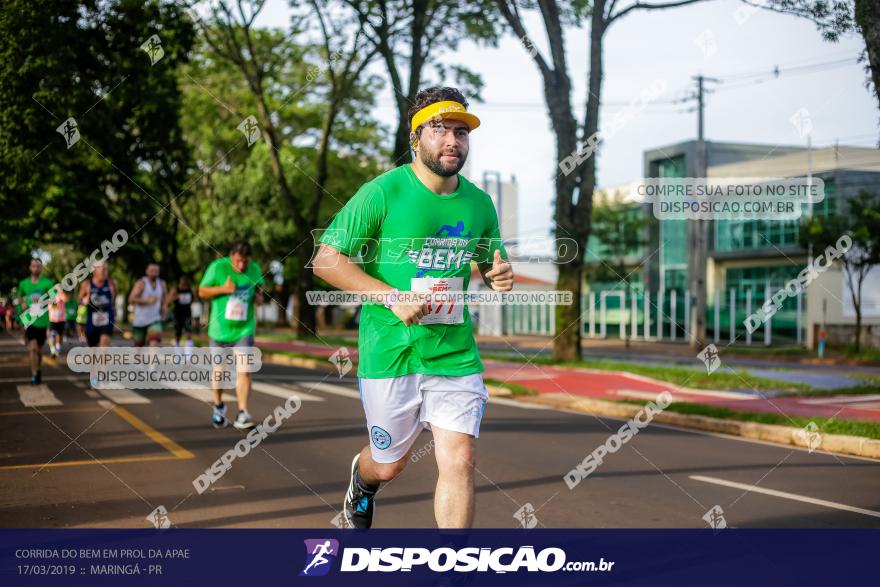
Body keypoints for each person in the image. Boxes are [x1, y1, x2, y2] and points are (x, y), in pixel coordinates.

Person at [314, 87, 514, 529]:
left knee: (459, 459)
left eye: (461, 132)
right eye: (440, 129)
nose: (452, 141)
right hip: (391, 352)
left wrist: (500, 275)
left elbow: (490, 261)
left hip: (453, 352)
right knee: (389, 466)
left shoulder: (479, 203)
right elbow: (326, 259)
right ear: (416, 137)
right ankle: (362, 483)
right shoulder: (382, 192)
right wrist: (391, 296)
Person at [198, 241, 264, 430]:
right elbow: (202, 291)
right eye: (237, 261)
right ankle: (219, 406)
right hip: (219, 330)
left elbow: (260, 287)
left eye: (244, 261)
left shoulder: (254, 269)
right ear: (231, 256)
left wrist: (259, 297)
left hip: (244, 329)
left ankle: (242, 412)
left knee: (244, 370)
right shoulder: (218, 267)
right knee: (220, 372)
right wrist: (222, 289)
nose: (241, 266)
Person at [17, 258, 55, 384]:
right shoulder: (23, 283)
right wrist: (23, 303)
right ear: (30, 267)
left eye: (38, 266)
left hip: (42, 321)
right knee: (32, 348)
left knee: (39, 350)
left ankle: (38, 370)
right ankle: (34, 375)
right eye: (33, 266)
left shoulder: (48, 283)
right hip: (30, 321)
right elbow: (19, 296)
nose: (35, 268)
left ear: (41, 268)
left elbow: (53, 300)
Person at [78, 261, 117, 348]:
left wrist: (114, 315)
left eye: (106, 269)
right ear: (94, 271)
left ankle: (104, 361)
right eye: (101, 268)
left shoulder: (112, 284)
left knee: (104, 344)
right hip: (91, 322)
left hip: (107, 319)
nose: (104, 271)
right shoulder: (87, 284)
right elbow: (79, 301)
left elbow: (113, 301)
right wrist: (84, 300)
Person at [129, 263, 167, 347]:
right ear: (147, 272)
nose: (154, 273)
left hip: (155, 319)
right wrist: (147, 301)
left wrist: (164, 309)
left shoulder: (162, 284)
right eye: (152, 270)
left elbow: (164, 299)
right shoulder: (141, 283)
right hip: (140, 320)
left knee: (154, 344)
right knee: (138, 347)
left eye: (156, 271)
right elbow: (131, 299)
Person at [167, 275, 198, 351]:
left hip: (188, 314)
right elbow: (167, 301)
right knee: (178, 334)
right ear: (179, 281)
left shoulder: (190, 290)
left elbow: (196, 300)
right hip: (177, 314)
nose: (183, 282)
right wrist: (175, 297)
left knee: (189, 333)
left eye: (184, 280)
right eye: (181, 280)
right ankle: (177, 353)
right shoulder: (175, 290)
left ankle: (188, 355)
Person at [47, 289, 67, 357]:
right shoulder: (50, 298)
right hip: (52, 320)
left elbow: (65, 299)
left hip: (61, 319)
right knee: (52, 335)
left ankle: (58, 347)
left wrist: (60, 291)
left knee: (60, 335)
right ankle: (53, 350)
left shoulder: (61, 296)